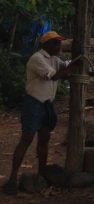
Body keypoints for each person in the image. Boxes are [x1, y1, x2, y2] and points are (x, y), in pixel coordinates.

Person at [2, 32, 82, 195]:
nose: (58, 47)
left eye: (59, 44)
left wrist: (83, 68)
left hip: (47, 104)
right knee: (26, 140)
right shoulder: (37, 59)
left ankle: (42, 172)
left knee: (44, 139)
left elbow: (64, 68)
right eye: (55, 43)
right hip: (34, 104)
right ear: (45, 44)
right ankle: (12, 179)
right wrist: (74, 66)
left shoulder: (53, 59)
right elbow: (55, 76)